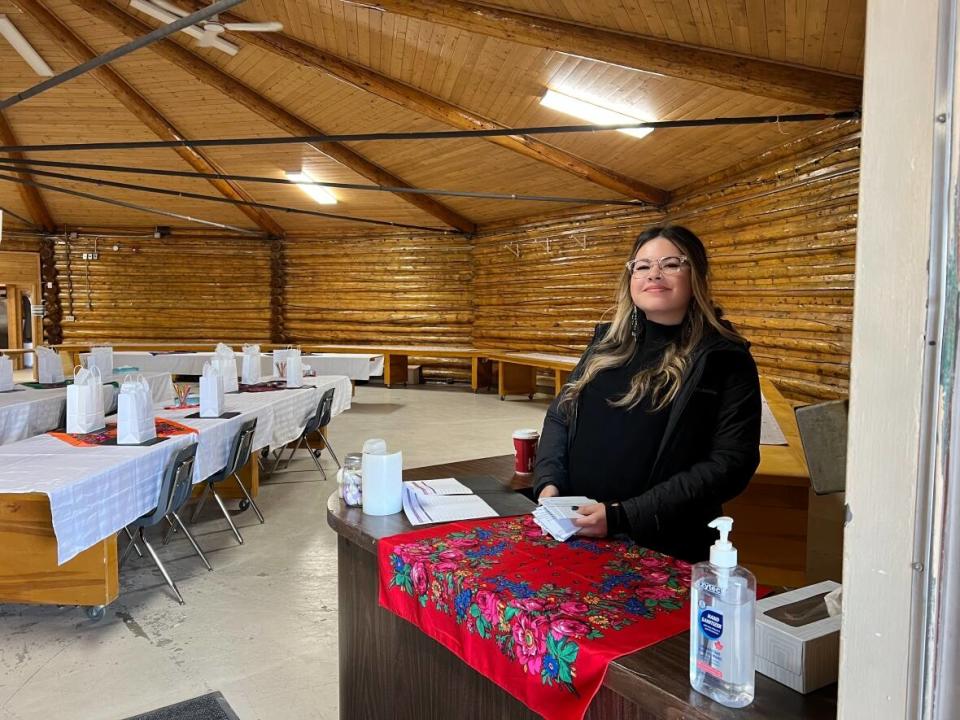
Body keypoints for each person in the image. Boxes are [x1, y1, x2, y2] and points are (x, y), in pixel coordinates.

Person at [533, 225, 761, 562]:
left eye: (671, 264)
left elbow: (730, 464)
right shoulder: (606, 344)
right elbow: (560, 414)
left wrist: (623, 515)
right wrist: (549, 483)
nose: (654, 273)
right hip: (576, 531)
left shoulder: (723, 358)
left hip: (660, 544)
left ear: (696, 274)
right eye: (642, 266)